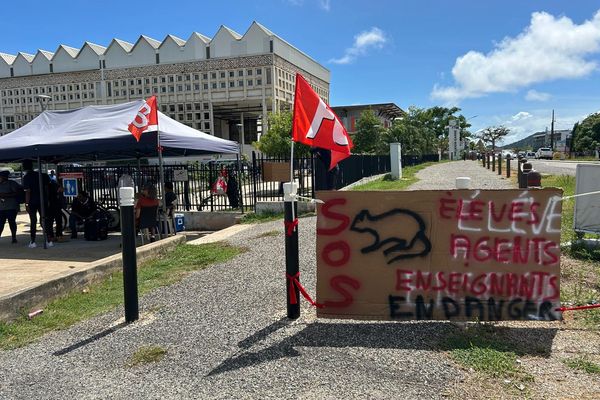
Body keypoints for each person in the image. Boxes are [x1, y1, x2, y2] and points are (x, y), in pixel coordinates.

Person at [22, 160, 51, 248]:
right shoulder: (42, 175)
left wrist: (26, 204)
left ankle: (33, 241)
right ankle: (49, 240)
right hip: (43, 200)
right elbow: (47, 189)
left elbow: (28, 192)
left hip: (32, 202)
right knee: (45, 220)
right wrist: (47, 199)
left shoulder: (26, 177)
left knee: (33, 221)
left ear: (24, 167)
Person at [0, 170, 21, 244]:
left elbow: (16, 193)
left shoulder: (11, 183)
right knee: (0, 223)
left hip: (11, 207)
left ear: (4, 177)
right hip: (1, 208)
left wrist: (5, 195)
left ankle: (14, 237)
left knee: (12, 222)